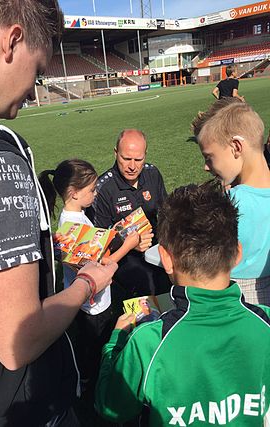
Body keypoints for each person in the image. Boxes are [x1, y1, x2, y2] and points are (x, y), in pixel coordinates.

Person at [0, 2, 118, 426]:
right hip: (8, 409)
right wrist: (86, 282)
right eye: (39, 69)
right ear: (12, 39)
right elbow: (15, 341)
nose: (35, 86)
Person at [95, 180, 270, 426]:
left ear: (165, 258)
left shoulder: (146, 342)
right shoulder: (265, 322)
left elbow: (111, 407)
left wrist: (115, 343)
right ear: (237, 254)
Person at [39, 160, 139, 387]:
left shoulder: (76, 216)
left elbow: (94, 249)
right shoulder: (71, 226)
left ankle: (90, 375)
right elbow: (98, 268)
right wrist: (128, 245)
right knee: (94, 346)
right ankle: (89, 381)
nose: (96, 193)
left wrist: (111, 234)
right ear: (74, 193)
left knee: (94, 343)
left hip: (94, 301)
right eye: (91, 190)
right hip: (92, 305)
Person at [193, 99, 270, 305]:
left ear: (236, 147)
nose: (206, 167)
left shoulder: (229, 204)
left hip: (235, 297)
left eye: (209, 157)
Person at [87, 129, 170, 297]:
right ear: (115, 153)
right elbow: (99, 240)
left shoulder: (153, 173)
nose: (132, 166)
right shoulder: (104, 188)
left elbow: (167, 212)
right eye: (126, 159)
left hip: (156, 246)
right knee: (147, 282)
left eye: (138, 159)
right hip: (125, 255)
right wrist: (130, 243)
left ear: (145, 155)